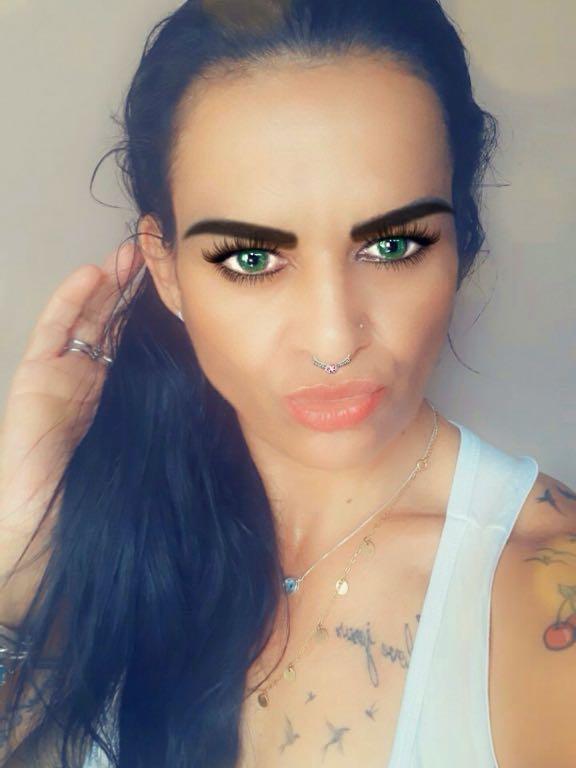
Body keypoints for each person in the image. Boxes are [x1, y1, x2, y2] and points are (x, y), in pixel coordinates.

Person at [0, 0, 574, 766]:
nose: (334, 341)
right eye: (251, 259)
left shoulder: (544, 598)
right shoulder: (127, 529)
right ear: (166, 271)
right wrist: (16, 559)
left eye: (393, 246)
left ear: (459, 246)